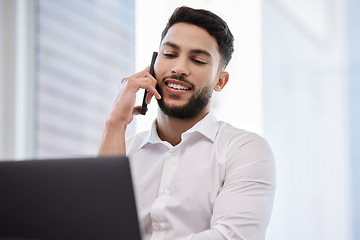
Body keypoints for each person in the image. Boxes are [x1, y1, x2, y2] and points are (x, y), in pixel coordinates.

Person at [99, 6, 276, 240]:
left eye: (197, 60)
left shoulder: (244, 150)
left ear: (220, 81)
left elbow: (231, 237)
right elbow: (97, 227)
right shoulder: (124, 151)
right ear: (153, 65)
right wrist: (116, 121)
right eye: (169, 55)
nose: (179, 69)